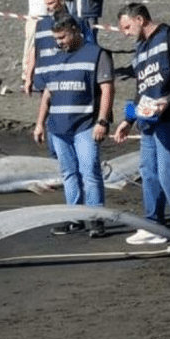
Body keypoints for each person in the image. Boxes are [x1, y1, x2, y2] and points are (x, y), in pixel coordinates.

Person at [112, 3, 170, 245]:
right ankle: (153, 224)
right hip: (147, 118)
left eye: (127, 27)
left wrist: (168, 101)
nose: (125, 32)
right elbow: (140, 88)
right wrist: (127, 119)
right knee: (148, 171)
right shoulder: (139, 48)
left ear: (140, 19)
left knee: (168, 171)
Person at [32, 15, 114, 237]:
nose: (60, 42)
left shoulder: (97, 54)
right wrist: (40, 124)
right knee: (68, 173)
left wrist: (102, 121)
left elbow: (107, 89)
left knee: (90, 172)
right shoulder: (54, 59)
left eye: (63, 37)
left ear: (76, 31)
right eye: (56, 38)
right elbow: (47, 94)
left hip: (85, 125)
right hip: (58, 127)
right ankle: (74, 217)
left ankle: (96, 219)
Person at [22, 0, 60, 82]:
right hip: (36, 16)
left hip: (54, 17)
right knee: (31, 46)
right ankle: (26, 75)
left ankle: (47, 74)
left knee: (52, 46)